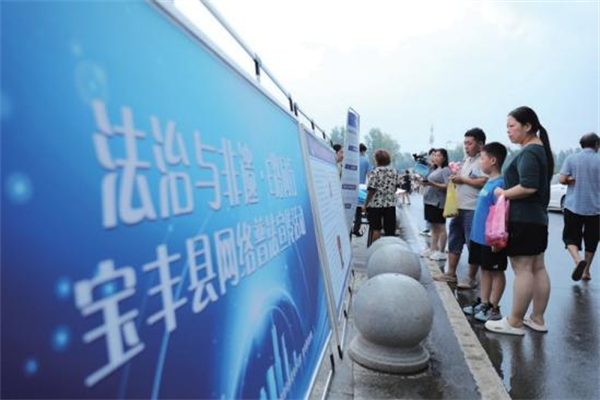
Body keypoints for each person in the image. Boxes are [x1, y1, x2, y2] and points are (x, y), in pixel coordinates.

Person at [485, 106, 553, 336]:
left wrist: (502, 193)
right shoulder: (539, 149)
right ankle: (537, 318)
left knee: (523, 269)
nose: (508, 130)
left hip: (524, 219)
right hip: (537, 219)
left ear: (528, 126)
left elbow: (528, 186)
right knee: (538, 267)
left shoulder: (529, 152)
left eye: (512, 126)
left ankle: (514, 322)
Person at [433, 128, 488, 287]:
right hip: (459, 207)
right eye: (465, 143)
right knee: (454, 240)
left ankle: (471, 278)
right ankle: (450, 273)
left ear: (480, 144)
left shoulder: (483, 161)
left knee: (473, 244)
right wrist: (457, 178)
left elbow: (484, 181)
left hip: (473, 209)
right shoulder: (467, 160)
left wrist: (463, 180)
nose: (466, 146)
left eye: (469, 143)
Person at [462, 142, 508, 322]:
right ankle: (484, 303)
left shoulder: (500, 184)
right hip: (479, 237)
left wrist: (498, 240)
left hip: (491, 238)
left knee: (496, 272)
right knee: (485, 270)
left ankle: (494, 308)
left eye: (482, 158)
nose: (480, 162)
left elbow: (502, 214)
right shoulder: (490, 182)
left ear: (493, 161)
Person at [559, 132, 600, 281]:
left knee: (570, 237)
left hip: (573, 206)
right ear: (596, 145)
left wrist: (569, 179)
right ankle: (586, 271)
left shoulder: (571, 158)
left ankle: (578, 260)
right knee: (592, 240)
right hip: (596, 208)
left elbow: (562, 179)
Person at [362, 149, 401, 243]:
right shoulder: (394, 171)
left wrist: (365, 204)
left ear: (377, 160)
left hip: (376, 205)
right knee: (390, 230)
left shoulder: (375, 172)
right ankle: (389, 248)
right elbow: (396, 187)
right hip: (390, 204)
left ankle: (375, 248)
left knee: (376, 229)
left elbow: (371, 190)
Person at [420, 149, 452, 262]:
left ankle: (442, 251)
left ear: (444, 158)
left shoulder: (445, 170)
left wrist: (432, 183)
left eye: (439, 156)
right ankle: (433, 248)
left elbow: (448, 186)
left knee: (441, 227)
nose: (435, 158)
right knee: (433, 227)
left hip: (438, 202)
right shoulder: (435, 169)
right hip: (429, 201)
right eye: (435, 155)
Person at [352, 143, 373, 236]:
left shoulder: (352, 159)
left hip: (350, 186)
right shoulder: (366, 160)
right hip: (361, 188)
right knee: (358, 211)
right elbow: (369, 175)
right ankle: (356, 229)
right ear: (364, 151)